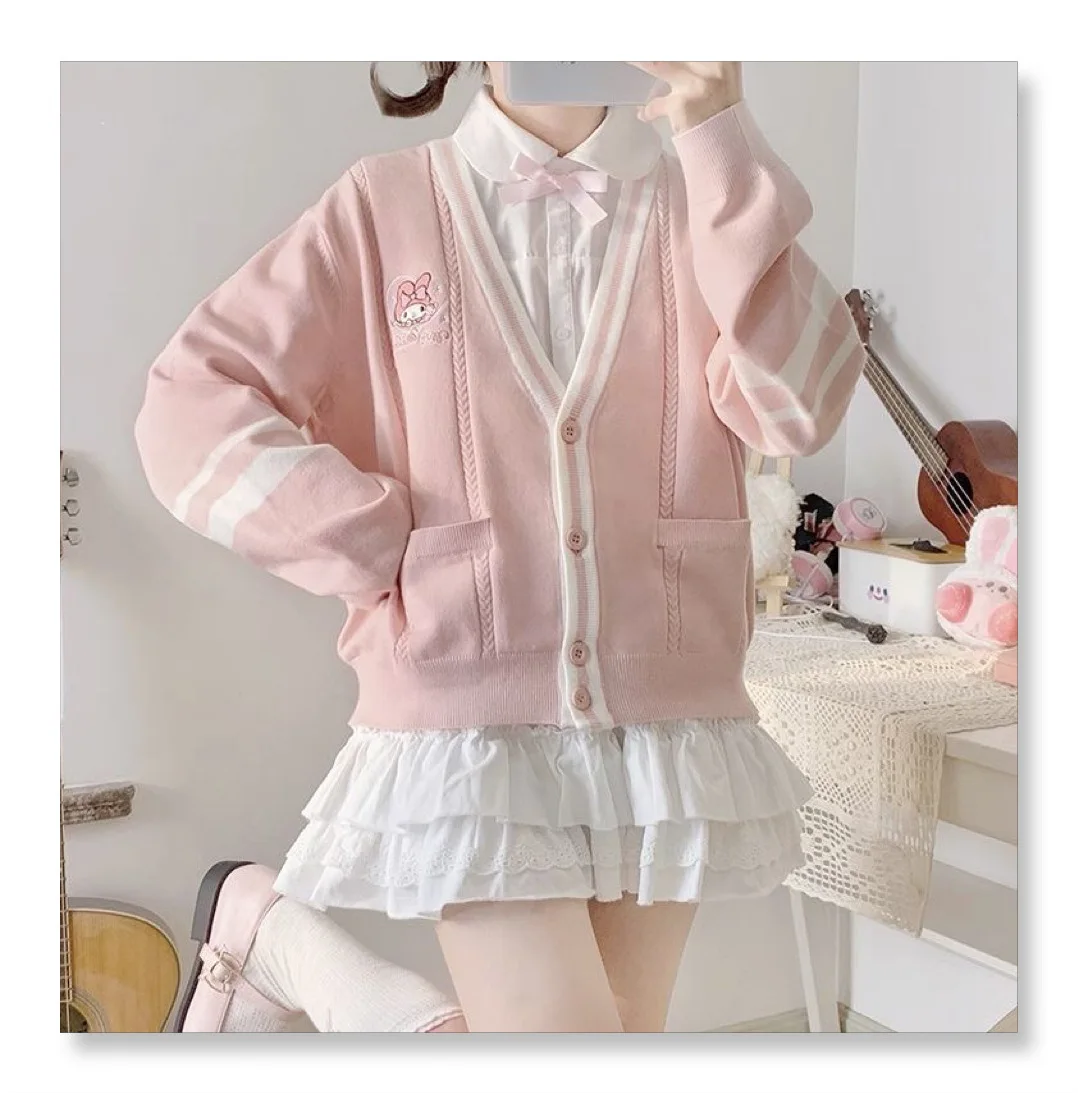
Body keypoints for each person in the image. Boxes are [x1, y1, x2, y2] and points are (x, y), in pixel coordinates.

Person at [136, 61, 866, 1034]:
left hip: (667, 726)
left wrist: (720, 135)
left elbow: (801, 402)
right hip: (467, 731)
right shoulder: (383, 209)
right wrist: (372, 539)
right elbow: (187, 404)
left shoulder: (705, 198)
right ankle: (304, 959)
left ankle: (283, 944)